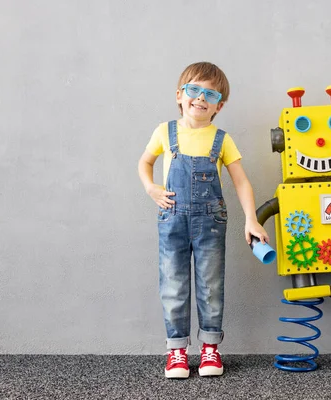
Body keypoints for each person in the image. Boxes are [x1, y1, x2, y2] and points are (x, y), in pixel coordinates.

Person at [137, 62, 269, 379]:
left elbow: (241, 182)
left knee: (210, 285)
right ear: (180, 95)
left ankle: (210, 348)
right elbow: (145, 162)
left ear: (219, 106)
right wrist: (151, 188)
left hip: (211, 222)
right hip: (172, 220)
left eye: (210, 94)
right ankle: (177, 352)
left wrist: (251, 219)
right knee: (173, 284)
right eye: (194, 90)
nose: (201, 98)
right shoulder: (164, 132)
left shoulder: (221, 139)